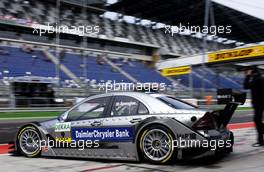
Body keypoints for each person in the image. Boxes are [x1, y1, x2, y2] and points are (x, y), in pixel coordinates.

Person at [244, 68, 264, 147]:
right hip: (260, 103)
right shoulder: (261, 78)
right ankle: (260, 140)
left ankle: (260, 141)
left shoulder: (257, 79)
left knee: (257, 121)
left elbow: (246, 86)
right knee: (258, 121)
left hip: (258, 104)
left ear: (253, 73)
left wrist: (247, 76)